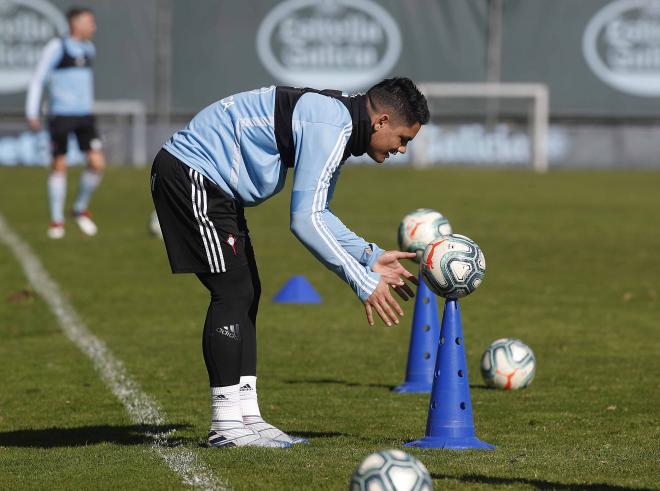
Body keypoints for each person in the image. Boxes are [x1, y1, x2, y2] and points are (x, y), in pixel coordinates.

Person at [151, 78, 430, 448]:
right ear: (380, 121)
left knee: (246, 293)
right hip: (191, 175)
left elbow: (319, 213)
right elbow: (304, 221)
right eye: (402, 139)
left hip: (210, 183)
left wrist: (370, 255)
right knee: (232, 293)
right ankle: (225, 423)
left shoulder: (340, 125)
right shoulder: (333, 126)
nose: (401, 149)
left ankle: (247, 416)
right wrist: (362, 283)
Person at [26, 7, 105, 239]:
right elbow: (38, 79)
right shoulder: (57, 47)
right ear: (75, 23)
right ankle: (56, 221)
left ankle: (79, 209)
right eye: (90, 22)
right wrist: (32, 112)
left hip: (85, 116)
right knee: (59, 165)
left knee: (97, 163)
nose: (94, 27)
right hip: (60, 116)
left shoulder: (89, 49)